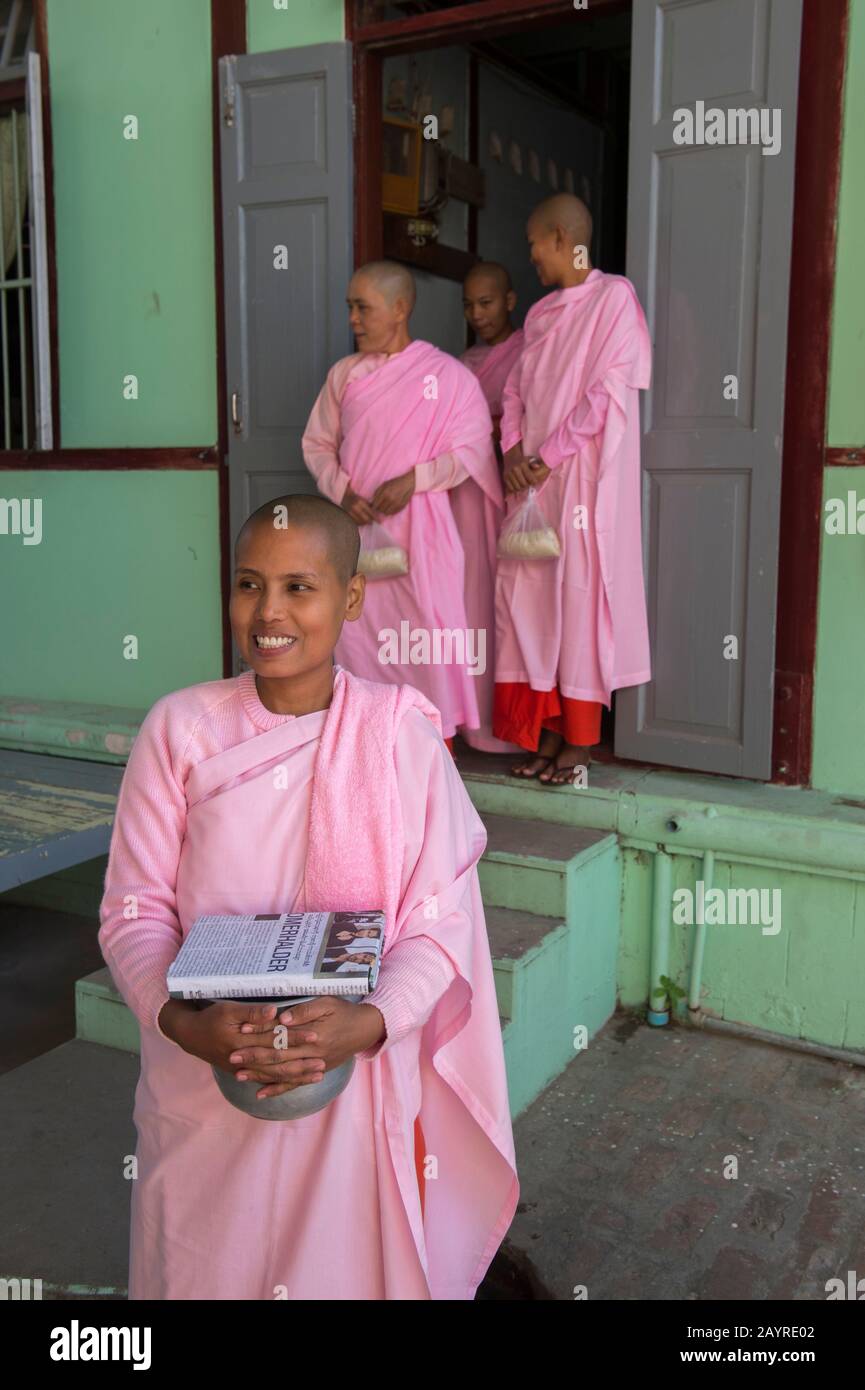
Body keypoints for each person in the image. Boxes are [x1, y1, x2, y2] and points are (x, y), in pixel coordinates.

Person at [98, 492, 518, 1300]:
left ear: (350, 597)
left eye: (299, 587)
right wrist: (185, 1023)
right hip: (206, 1069)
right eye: (249, 585)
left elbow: (439, 924)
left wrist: (371, 1020)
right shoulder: (181, 729)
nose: (269, 612)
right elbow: (133, 911)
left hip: (350, 1076)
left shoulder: (398, 735)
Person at [301, 260, 504, 757]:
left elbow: (474, 451)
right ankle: (367, 753)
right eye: (349, 306)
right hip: (357, 530)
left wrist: (416, 480)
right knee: (357, 636)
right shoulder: (344, 376)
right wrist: (343, 490)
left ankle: (436, 754)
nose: (352, 318)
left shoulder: (448, 377)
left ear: (400, 308)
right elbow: (317, 444)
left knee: (429, 640)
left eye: (362, 307)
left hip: (426, 536)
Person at [493, 194, 652, 784]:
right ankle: (546, 731)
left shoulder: (614, 299)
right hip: (532, 487)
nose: (530, 254)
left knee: (578, 600)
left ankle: (579, 740)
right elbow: (513, 393)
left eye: (535, 241)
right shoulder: (538, 316)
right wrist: (513, 451)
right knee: (532, 605)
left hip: (580, 482)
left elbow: (609, 392)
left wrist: (548, 456)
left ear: (561, 237)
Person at [461, 261, 525, 460]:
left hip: (512, 466)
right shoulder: (463, 361)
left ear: (509, 301)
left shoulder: (529, 351)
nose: (476, 315)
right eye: (468, 305)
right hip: (468, 468)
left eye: (485, 303)